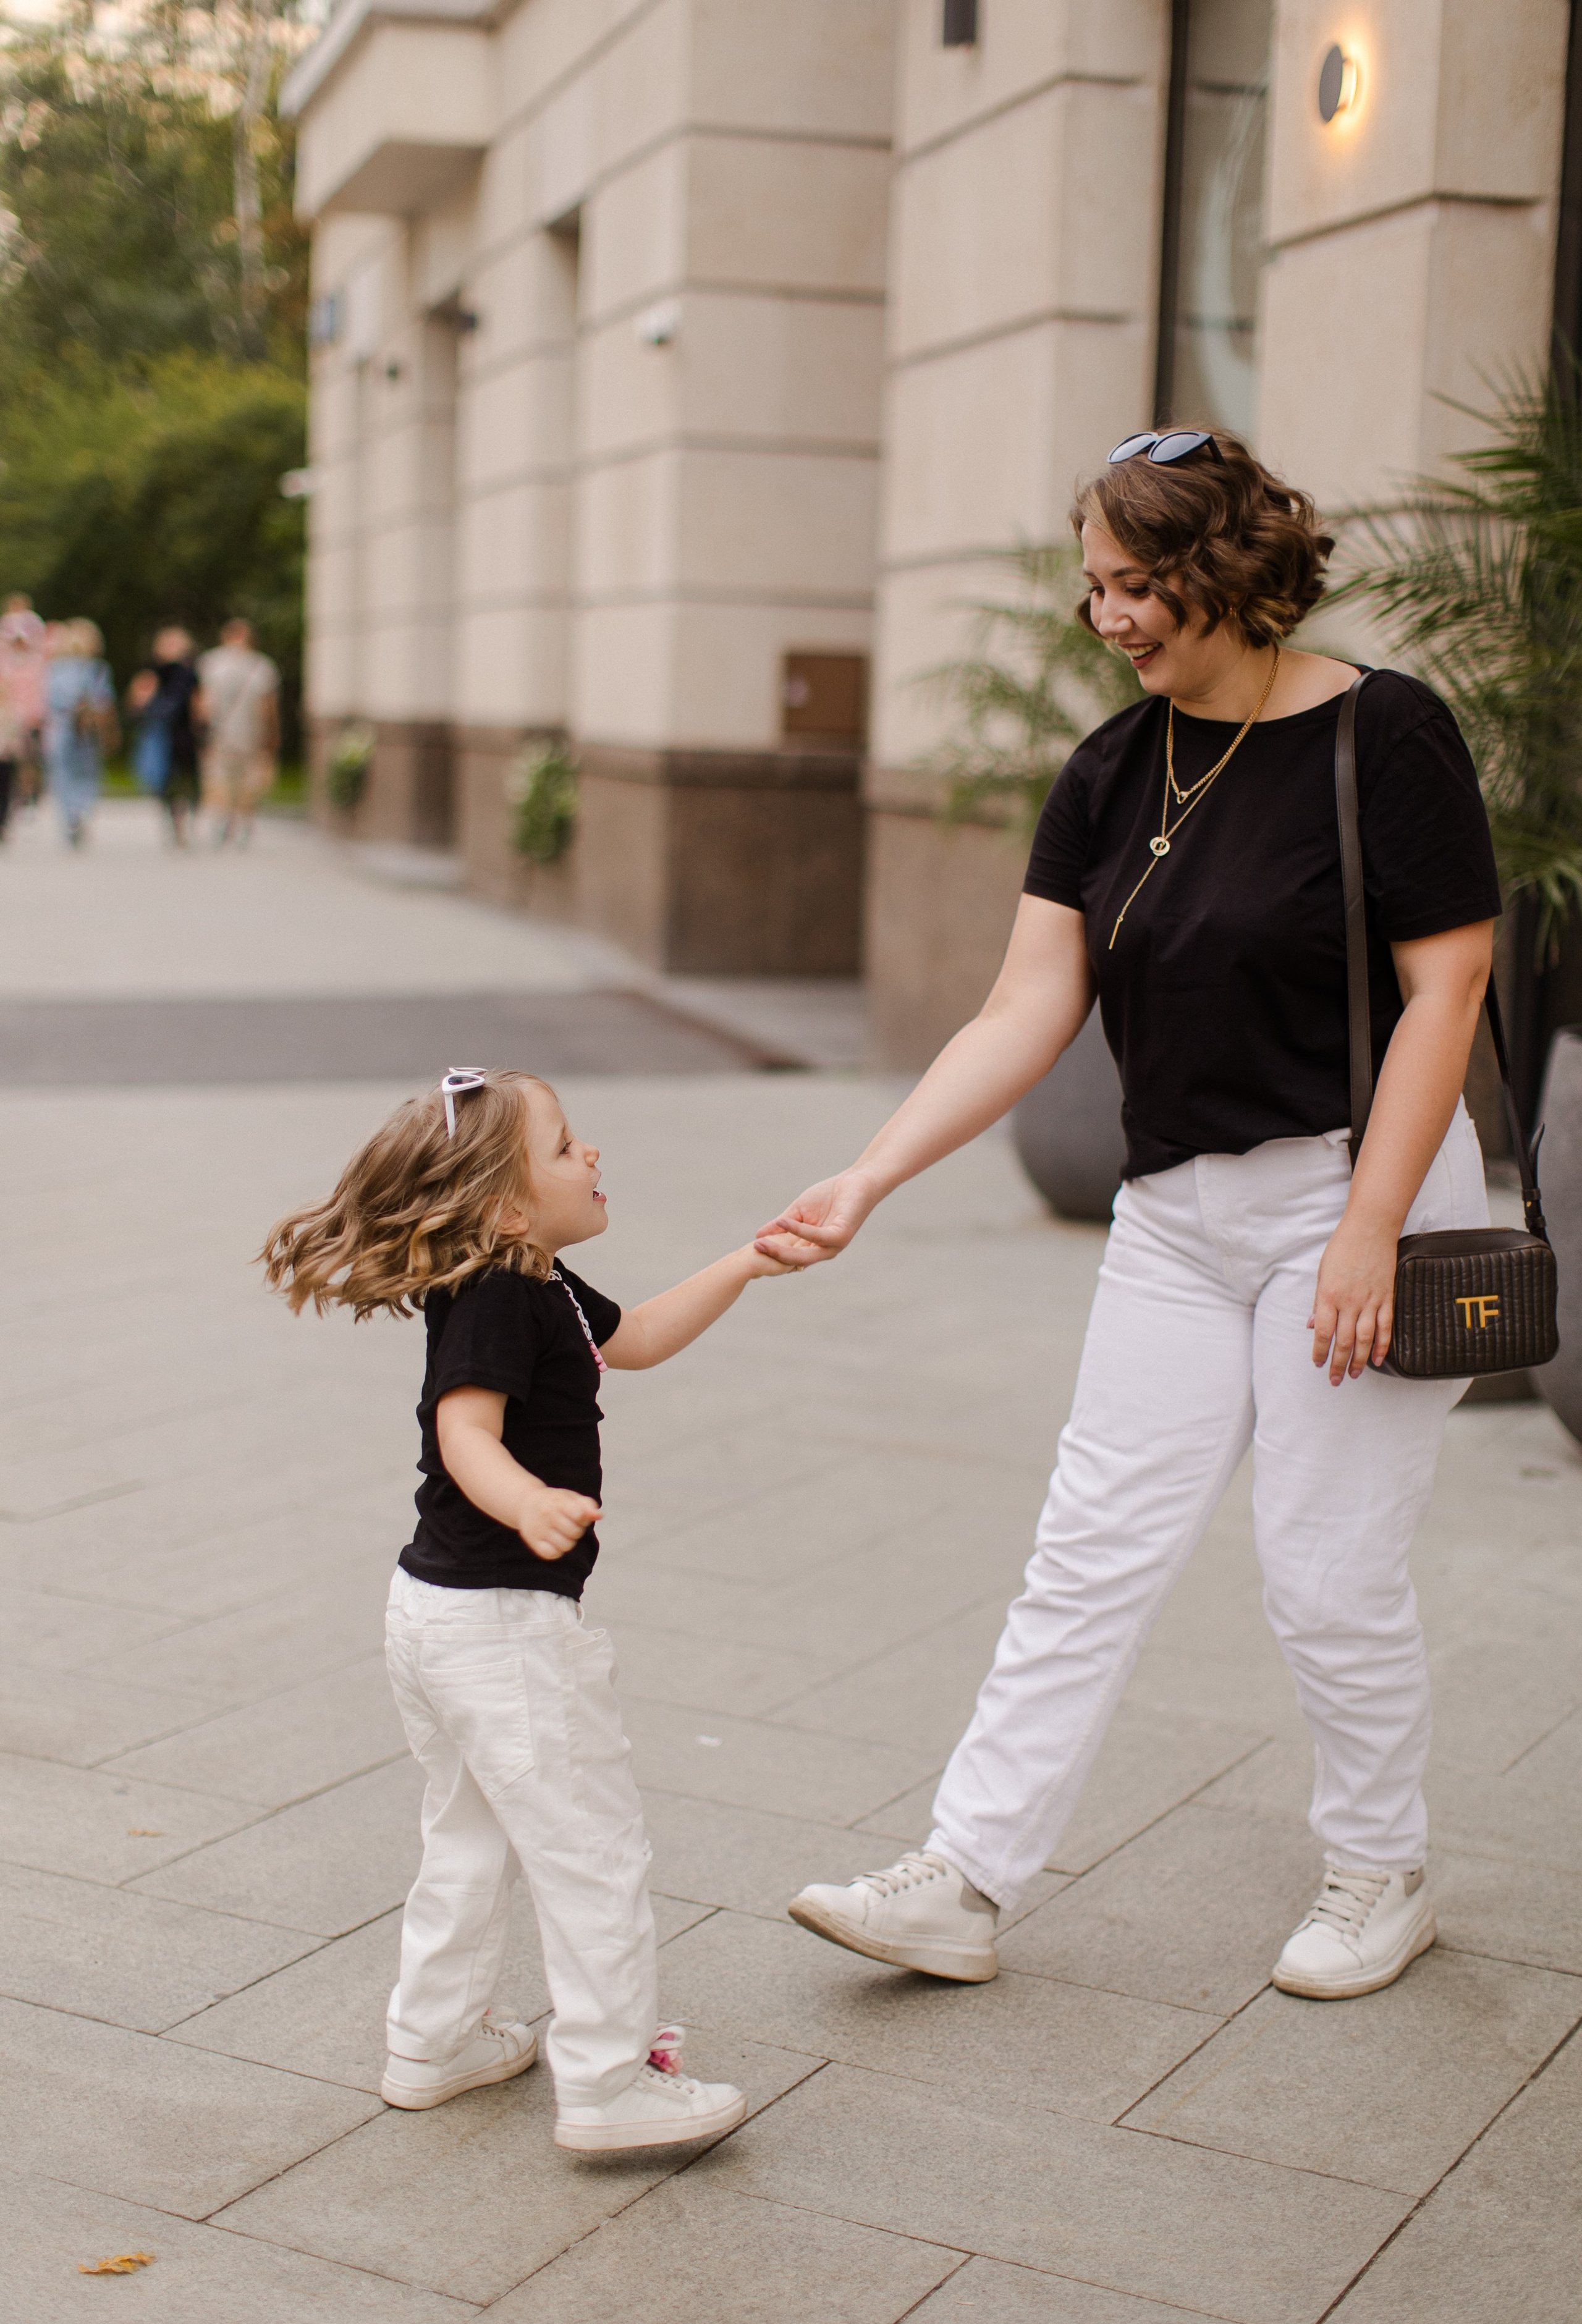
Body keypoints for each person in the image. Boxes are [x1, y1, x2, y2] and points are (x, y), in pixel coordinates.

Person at [766, 428, 1504, 2003]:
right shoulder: (1110, 767)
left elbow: (1446, 990)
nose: (1106, 615)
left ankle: (1379, 1870)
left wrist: (1369, 1225)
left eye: (1134, 583)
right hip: (1173, 1211)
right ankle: (962, 1875)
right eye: (1091, 584)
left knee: (1319, 1567)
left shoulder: (1386, 734)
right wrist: (871, 1171)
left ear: (1225, 569)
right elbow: (1023, 1007)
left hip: (1349, 1186)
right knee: (1086, 1551)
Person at [263, 1066, 805, 2145]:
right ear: (507, 1205)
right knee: (590, 1847)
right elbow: (464, 1431)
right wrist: (531, 1501)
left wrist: (748, 1260)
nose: (591, 1154)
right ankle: (609, 2084)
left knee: (470, 1833)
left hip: (441, 1618)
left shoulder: (535, 1277)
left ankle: (435, 2040)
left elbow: (637, 1336)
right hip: (504, 1625)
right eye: (564, 1147)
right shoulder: (499, 1296)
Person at [197, 616, 279, 847]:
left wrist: (203, 730)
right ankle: (240, 823)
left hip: (224, 732)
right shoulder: (261, 665)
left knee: (222, 778)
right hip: (245, 733)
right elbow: (267, 707)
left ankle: (224, 822)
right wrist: (270, 735)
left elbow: (203, 703)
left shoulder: (211, 663)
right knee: (242, 780)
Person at [44, 617, 117, 850]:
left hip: (64, 727)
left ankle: (71, 814)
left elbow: (50, 700)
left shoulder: (56, 668)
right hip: (84, 728)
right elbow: (104, 700)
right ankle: (80, 809)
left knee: (64, 773)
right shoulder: (97, 669)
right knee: (86, 772)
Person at [128, 627, 202, 846]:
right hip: (167, 734)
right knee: (172, 779)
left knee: (181, 778)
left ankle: (181, 818)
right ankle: (178, 820)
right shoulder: (159, 673)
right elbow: (137, 701)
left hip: (179, 732)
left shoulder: (183, 673)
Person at [0, 596, 48, 826]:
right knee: (9, 762)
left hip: (31, 718)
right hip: (8, 719)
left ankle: (29, 801)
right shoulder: (5, 659)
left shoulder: (37, 660)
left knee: (29, 762)